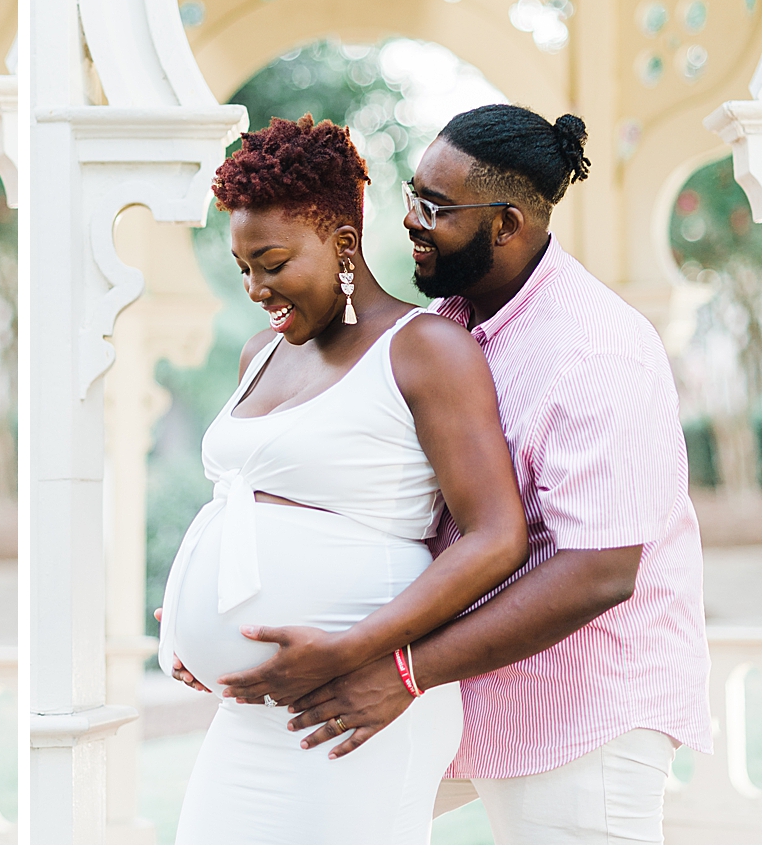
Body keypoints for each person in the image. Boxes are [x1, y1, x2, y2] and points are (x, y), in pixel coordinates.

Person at [282, 105, 713, 844]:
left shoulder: (597, 352)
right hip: (457, 691)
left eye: (436, 208)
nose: (411, 220)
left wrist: (406, 671)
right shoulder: (447, 325)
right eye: (413, 195)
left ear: (507, 224)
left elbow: (600, 572)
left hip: (582, 708)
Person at [156, 114, 527, 844]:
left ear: (344, 242)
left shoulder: (426, 350)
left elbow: (496, 537)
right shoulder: (261, 354)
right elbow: (248, 507)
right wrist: (195, 622)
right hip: (248, 716)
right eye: (243, 268)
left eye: (273, 262)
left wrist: (355, 650)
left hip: (353, 706)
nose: (256, 288)